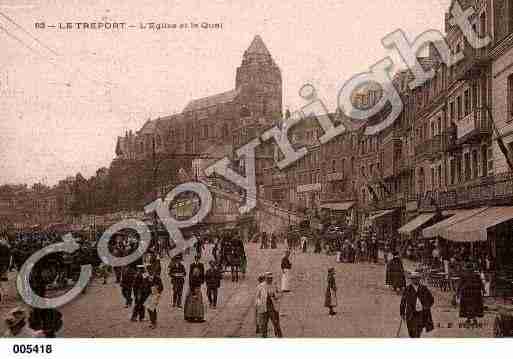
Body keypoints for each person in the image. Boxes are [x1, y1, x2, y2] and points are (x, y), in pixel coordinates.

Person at [400, 272, 434, 338]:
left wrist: (425, 306)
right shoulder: (407, 289)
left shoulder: (424, 289)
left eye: (417, 278)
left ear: (419, 279)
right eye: (413, 279)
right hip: (410, 314)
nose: (415, 280)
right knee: (411, 332)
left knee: (418, 332)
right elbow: (403, 302)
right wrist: (402, 313)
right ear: (411, 280)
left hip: (420, 314)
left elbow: (431, 300)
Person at [256, 272, 283, 338]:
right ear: (265, 278)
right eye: (268, 278)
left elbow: (280, 294)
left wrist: (274, 295)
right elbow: (257, 298)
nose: (270, 280)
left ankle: (279, 337)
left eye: (271, 278)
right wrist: (259, 304)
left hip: (273, 308)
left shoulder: (274, 285)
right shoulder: (260, 286)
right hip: (264, 308)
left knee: (276, 324)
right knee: (263, 325)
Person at [184, 255, 206, 322]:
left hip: (197, 287)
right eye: (196, 258)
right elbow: (190, 278)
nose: (197, 259)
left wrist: (202, 281)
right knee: (193, 303)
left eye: (198, 258)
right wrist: (193, 293)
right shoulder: (192, 266)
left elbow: (202, 274)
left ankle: (196, 316)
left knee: (197, 303)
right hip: (193, 289)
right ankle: (191, 316)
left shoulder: (201, 265)